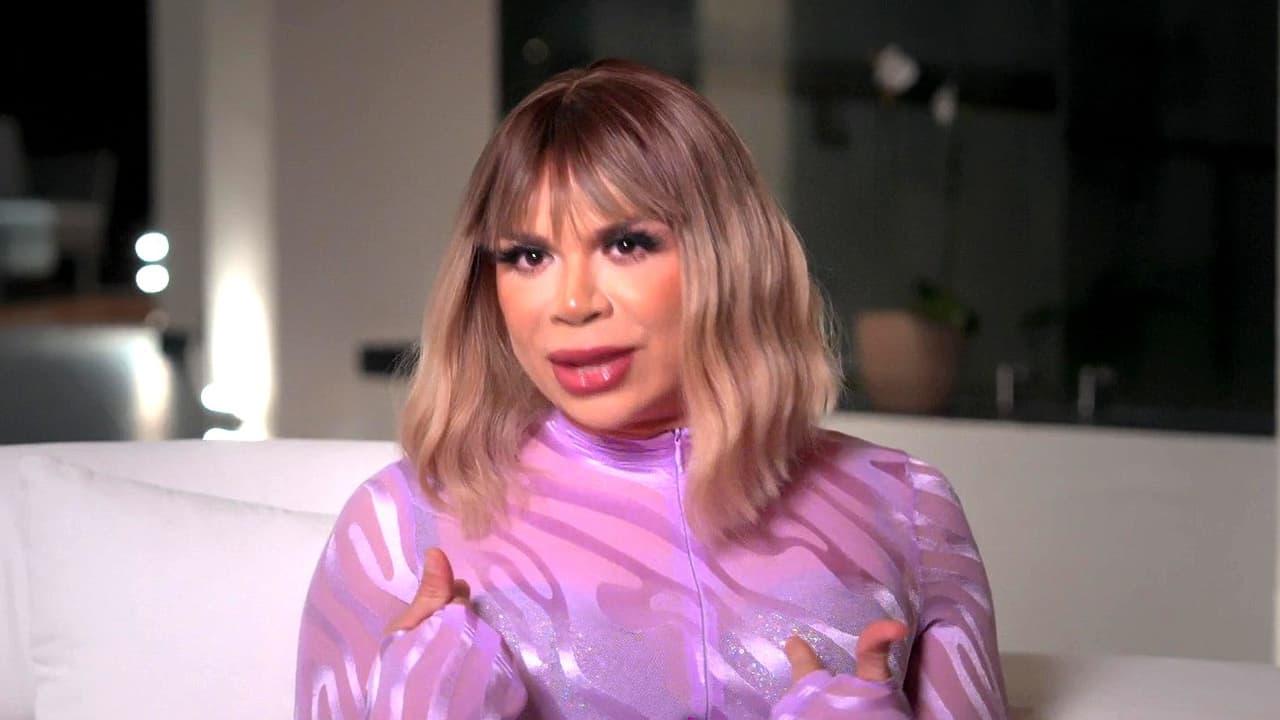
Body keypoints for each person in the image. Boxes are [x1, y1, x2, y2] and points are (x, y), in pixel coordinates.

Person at [294, 59, 1007, 719]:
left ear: (728, 254)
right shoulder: (396, 529)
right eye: (529, 255)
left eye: (626, 244)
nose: (573, 303)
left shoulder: (906, 508)